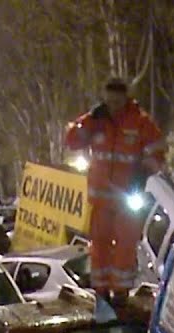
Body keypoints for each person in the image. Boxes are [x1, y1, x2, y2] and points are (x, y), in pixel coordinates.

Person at [63, 78, 165, 308]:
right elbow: (71, 141)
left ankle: (120, 293)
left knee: (125, 246)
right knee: (99, 246)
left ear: (126, 98)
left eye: (117, 101)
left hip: (127, 198)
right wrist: (89, 119)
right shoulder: (97, 120)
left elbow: (158, 151)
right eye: (109, 101)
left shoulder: (140, 122)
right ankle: (101, 291)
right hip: (101, 200)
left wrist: (143, 172)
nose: (113, 105)